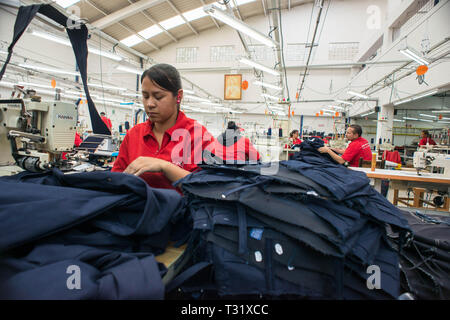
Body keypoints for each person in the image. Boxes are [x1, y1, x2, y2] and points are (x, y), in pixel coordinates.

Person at [111, 63, 215, 191]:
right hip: (139, 209)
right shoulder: (134, 135)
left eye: (158, 97)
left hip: (180, 210)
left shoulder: (198, 135)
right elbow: (116, 179)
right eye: (145, 96)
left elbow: (208, 187)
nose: (149, 104)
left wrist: (165, 167)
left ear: (178, 96)